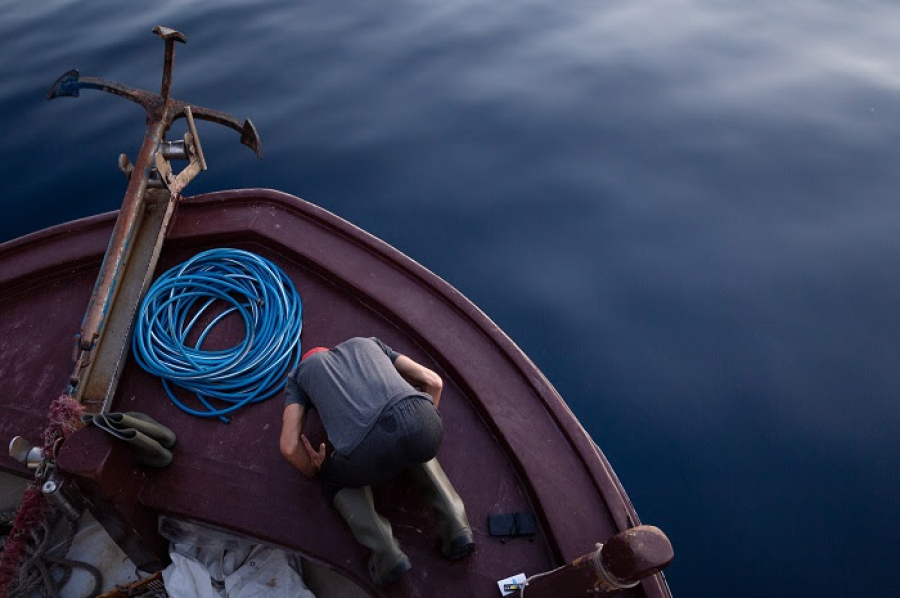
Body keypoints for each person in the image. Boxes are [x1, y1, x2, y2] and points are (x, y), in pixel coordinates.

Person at [279, 337, 474, 586]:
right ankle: (458, 529)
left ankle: (388, 556)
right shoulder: (369, 343)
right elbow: (433, 381)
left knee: (330, 475)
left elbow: (288, 446)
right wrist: (425, 420)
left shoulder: (298, 377)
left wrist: (312, 467)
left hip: (368, 452)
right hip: (425, 422)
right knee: (412, 439)